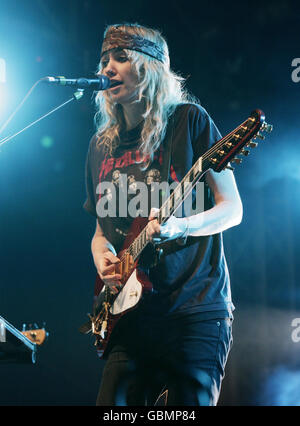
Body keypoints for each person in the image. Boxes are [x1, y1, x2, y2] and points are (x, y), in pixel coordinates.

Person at [83, 23, 243, 406]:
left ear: (150, 68)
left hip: (193, 309)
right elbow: (101, 230)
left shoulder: (189, 122)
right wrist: (100, 255)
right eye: (104, 59)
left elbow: (232, 209)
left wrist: (180, 226)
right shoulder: (98, 146)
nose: (107, 68)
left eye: (121, 58)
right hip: (128, 315)